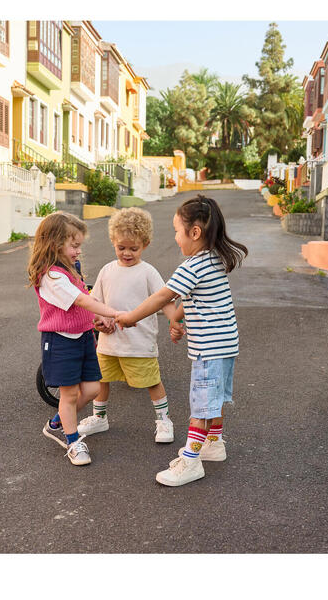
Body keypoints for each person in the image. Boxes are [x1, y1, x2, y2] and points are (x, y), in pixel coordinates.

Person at [116, 194, 247, 487]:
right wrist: (176, 319)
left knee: (201, 406)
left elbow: (164, 295)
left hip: (209, 349)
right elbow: (191, 299)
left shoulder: (193, 265)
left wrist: (130, 317)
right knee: (213, 400)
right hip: (225, 346)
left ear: (195, 232)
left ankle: (190, 462)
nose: (175, 238)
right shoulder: (213, 259)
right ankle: (213, 444)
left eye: (177, 231)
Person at [77, 207, 179, 444]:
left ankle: (163, 419)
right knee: (101, 379)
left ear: (145, 243)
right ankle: (99, 417)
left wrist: (175, 319)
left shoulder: (148, 272)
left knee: (152, 381)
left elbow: (163, 299)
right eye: (121, 247)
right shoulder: (107, 271)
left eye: (134, 248)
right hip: (108, 343)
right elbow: (96, 302)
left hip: (139, 343)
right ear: (113, 241)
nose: (127, 253)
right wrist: (99, 322)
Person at [27, 211, 118, 467]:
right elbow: (79, 299)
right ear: (55, 244)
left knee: (92, 388)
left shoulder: (70, 269)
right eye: (74, 245)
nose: (78, 251)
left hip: (83, 337)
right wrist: (113, 312)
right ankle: (73, 441)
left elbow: (84, 298)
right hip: (61, 341)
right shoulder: (51, 276)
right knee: (68, 395)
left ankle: (57, 422)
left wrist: (97, 318)